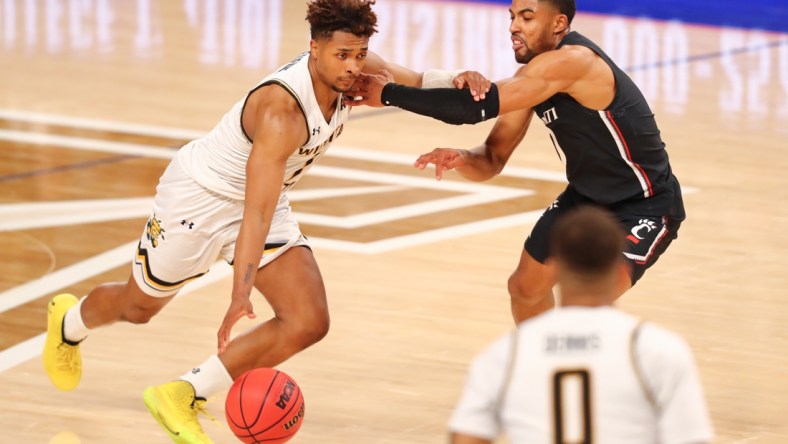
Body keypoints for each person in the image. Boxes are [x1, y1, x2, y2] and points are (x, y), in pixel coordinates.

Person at [41, 1, 489, 443]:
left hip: (264, 199)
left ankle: (183, 393)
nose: (353, 67)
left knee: (308, 319)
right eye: (342, 56)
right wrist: (240, 292)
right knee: (138, 308)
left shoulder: (355, 63)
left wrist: (457, 78)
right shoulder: (282, 112)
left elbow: (413, 79)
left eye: (358, 54)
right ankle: (69, 322)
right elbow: (254, 211)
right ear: (312, 47)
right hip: (200, 200)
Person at [349, 0, 686, 324]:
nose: (513, 26)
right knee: (524, 289)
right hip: (586, 197)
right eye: (512, 16)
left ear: (559, 24)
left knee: (585, 305)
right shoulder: (533, 74)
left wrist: (389, 95)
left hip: (644, 204)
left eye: (527, 17)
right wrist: (463, 158)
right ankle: (542, 370)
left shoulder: (574, 62)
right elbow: (492, 159)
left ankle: (601, 376)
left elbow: (472, 110)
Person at [449, 206, 714, 444]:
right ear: (617, 265)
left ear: (554, 266)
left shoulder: (507, 353)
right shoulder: (658, 350)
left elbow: (466, 439)